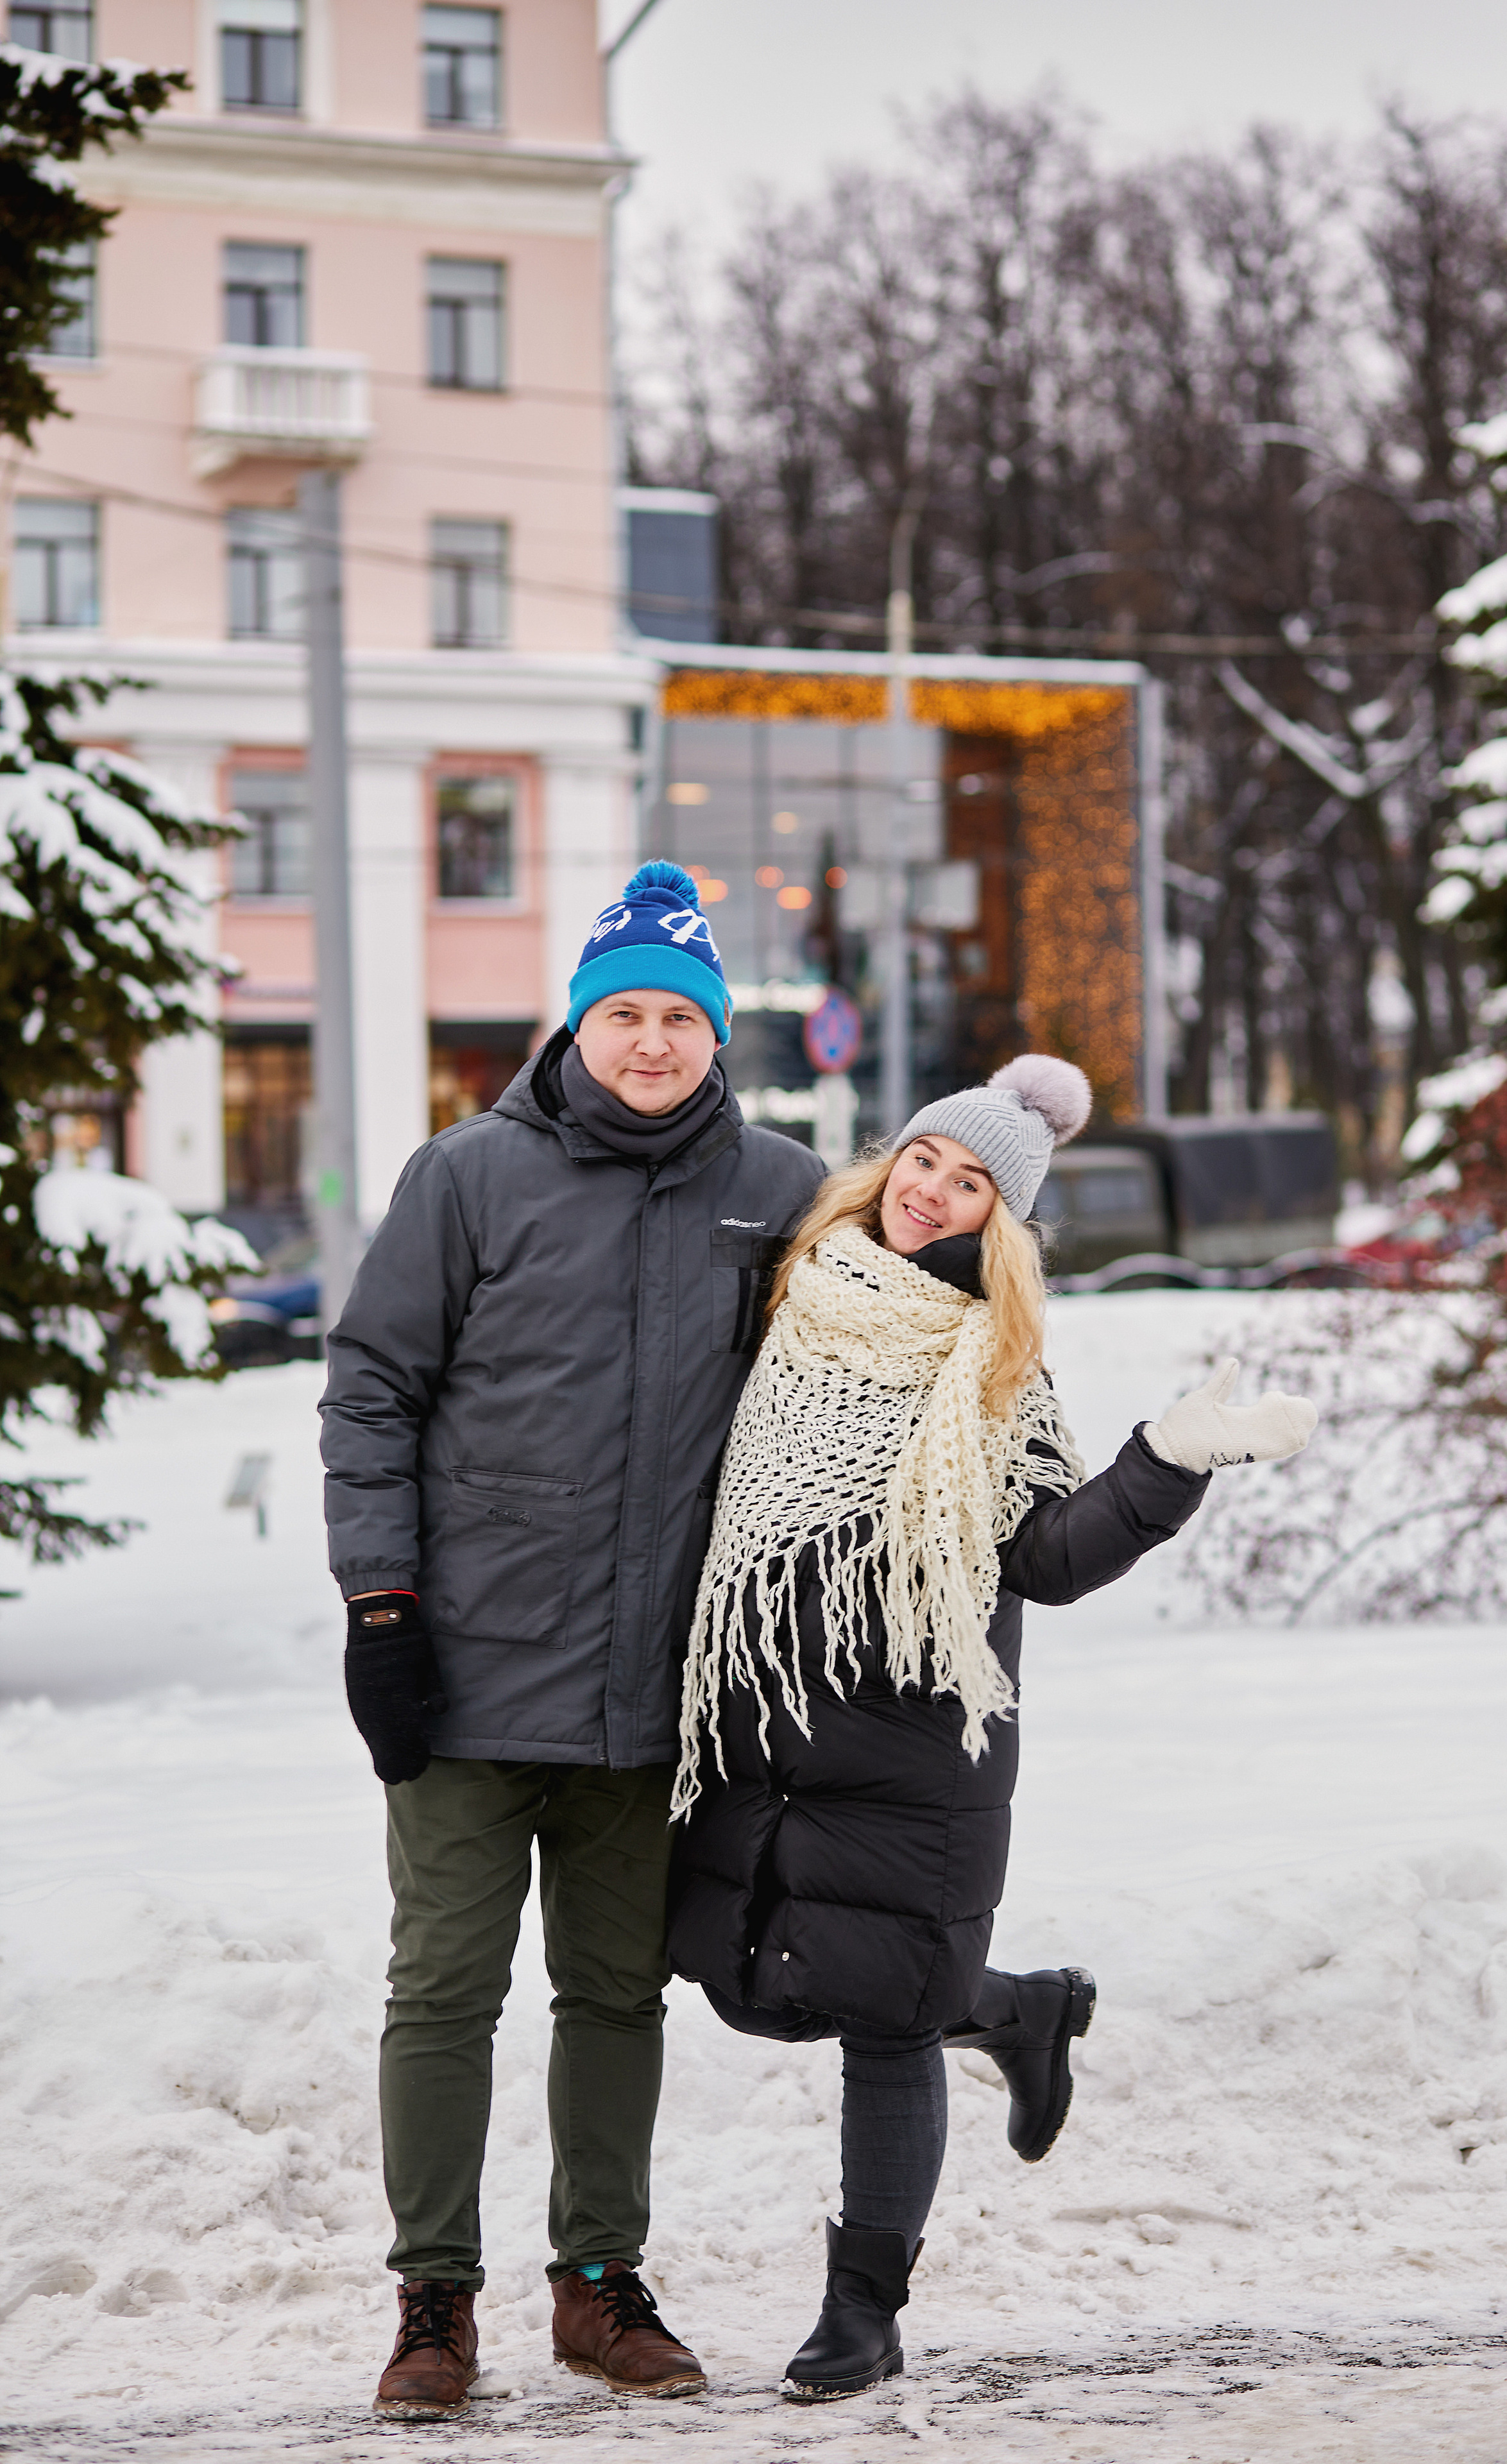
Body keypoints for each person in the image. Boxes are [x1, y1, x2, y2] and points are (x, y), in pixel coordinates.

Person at [667, 1054, 1318, 2402]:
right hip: (762, 1722)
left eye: (969, 1185)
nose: (932, 1192)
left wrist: (1167, 1461)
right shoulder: (794, 1294)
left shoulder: (991, 1365)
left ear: (996, 1220)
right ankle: (1019, 2012)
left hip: (914, 1741)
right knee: (747, 1980)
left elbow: (1051, 1557)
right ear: (889, 1160)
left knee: (885, 2021)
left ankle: (863, 2311)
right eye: (924, 1160)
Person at [318, 861, 825, 2417]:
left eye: (679, 1016)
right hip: (465, 1678)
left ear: (717, 1032)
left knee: (614, 1992)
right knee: (442, 1990)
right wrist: (382, 1609)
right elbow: (371, 1390)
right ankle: (433, 2297)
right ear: (579, 1026)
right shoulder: (469, 1177)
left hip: (651, 1689)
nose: (651, 1042)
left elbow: (872, 1361)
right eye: (625, 1016)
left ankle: (598, 2282)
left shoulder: (781, 1190)